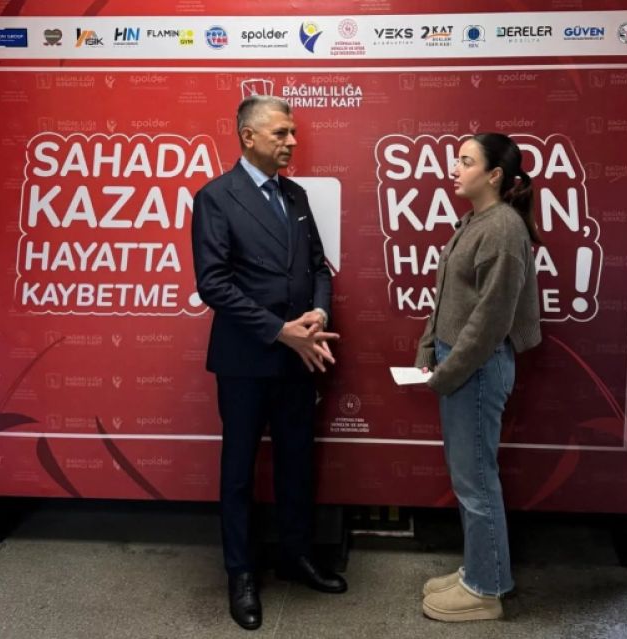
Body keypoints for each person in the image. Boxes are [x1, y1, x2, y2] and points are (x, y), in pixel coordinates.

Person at [192, 95, 347, 631]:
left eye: (293, 133)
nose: (292, 142)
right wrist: (280, 331)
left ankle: (296, 555)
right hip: (245, 360)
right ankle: (240, 573)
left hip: (300, 358)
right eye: (281, 133)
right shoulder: (216, 197)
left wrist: (318, 313)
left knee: (296, 462)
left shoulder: (296, 195)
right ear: (248, 136)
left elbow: (318, 267)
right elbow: (213, 284)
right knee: (238, 472)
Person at [414, 132, 542, 622]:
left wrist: (448, 371)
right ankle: (482, 569)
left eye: (466, 161)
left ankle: (485, 592)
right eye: (456, 160)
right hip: (461, 362)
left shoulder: (503, 229)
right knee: (468, 476)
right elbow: (451, 295)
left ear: (494, 175)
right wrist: (430, 347)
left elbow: (490, 321)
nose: (454, 168)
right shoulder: (475, 221)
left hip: (477, 367)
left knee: (476, 481)